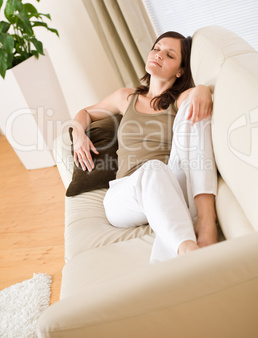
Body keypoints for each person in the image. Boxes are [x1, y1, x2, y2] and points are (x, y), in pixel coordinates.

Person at [72, 31, 218, 263]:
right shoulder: (126, 97)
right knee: (151, 169)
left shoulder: (178, 101)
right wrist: (78, 133)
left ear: (180, 71)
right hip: (124, 195)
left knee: (194, 113)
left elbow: (197, 98)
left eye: (169, 55)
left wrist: (202, 89)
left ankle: (204, 223)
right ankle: (188, 249)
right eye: (157, 48)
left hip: (167, 181)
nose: (159, 55)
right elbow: (85, 112)